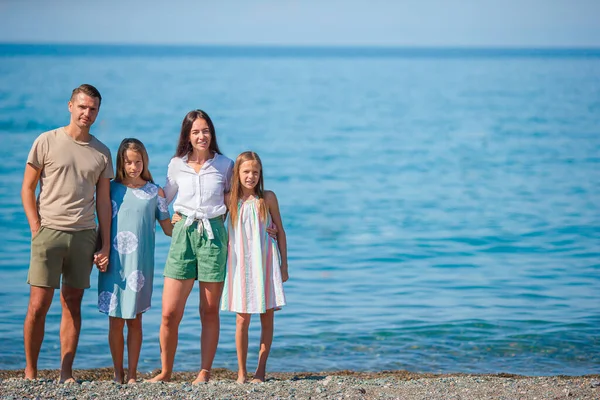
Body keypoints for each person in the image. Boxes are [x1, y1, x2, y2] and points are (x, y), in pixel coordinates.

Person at [21, 84, 113, 383]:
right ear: (70, 106)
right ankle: (31, 371)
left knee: (72, 303)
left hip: (84, 235)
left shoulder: (101, 152)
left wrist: (105, 243)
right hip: (48, 232)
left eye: (93, 109)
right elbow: (27, 188)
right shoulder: (46, 141)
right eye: (82, 107)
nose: (87, 113)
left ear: (97, 112)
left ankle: (65, 372)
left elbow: (103, 202)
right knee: (38, 305)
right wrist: (36, 227)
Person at [149, 109, 234, 384]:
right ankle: (165, 372)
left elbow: (234, 202)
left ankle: (204, 373)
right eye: (196, 131)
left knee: (208, 311)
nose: (201, 136)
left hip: (213, 235)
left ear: (212, 133)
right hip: (183, 234)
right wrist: (167, 222)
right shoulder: (176, 164)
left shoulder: (225, 165)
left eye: (205, 130)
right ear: (187, 135)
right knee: (169, 312)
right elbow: (163, 194)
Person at [97, 138, 173, 384]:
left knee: (136, 320)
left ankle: (132, 375)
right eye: (128, 162)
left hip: (140, 267)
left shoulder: (154, 191)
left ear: (144, 161)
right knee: (115, 320)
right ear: (121, 162)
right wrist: (98, 252)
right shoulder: (109, 188)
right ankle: (118, 373)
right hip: (114, 262)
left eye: (138, 162)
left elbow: (169, 228)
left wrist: (188, 215)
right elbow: (100, 223)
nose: (133, 167)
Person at [221, 151, 289, 384]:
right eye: (246, 172)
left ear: (261, 175)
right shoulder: (228, 199)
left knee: (266, 317)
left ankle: (260, 370)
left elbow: (280, 231)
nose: (251, 176)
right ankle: (241, 372)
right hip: (241, 266)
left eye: (255, 172)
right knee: (242, 319)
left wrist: (284, 264)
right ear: (237, 173)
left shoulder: (267, 198)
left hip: (266, 264)